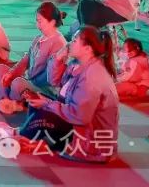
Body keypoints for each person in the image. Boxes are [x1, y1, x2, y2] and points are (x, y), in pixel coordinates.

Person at [20, 26, 120, 163]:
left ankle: (20, 138)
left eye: (74, 40)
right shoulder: (77, 64)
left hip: (90, 140)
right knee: (37, 102)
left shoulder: (92, 76)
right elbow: (54, 81)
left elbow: (80, 116)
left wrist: (48, 104)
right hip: (77, 125)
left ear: (88, 49)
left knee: (44, 114)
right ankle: (27, 137)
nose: (69, 44)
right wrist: (58, 58)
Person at [0, 2, 68, 115]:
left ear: (52, 22)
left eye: (40, 21)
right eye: (37, 21)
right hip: (30, 81)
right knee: (1, 69)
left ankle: (13, 102)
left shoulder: (58, 43)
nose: (37, 25)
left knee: (18, 83)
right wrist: (12, 73)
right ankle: (8, 99)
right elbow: (26, 60)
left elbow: (49, 77)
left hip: (44, 89)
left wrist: (26, 82)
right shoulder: (39, 38)